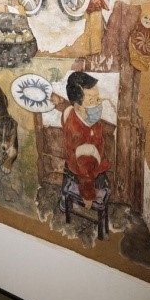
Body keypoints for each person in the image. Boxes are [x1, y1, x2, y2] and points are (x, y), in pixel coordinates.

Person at [50, 71, 110, 206]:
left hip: (73, 161)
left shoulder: (72, 113)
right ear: (78, 107)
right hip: (85, 169)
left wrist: (59, 102)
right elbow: (86, 174)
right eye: (91, 101)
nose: (98, 104)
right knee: (93, 179)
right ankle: (72, 198)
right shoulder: (83, 141)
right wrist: (88, 195)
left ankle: (65, 199)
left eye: (97, 98)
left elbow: (67, 108)